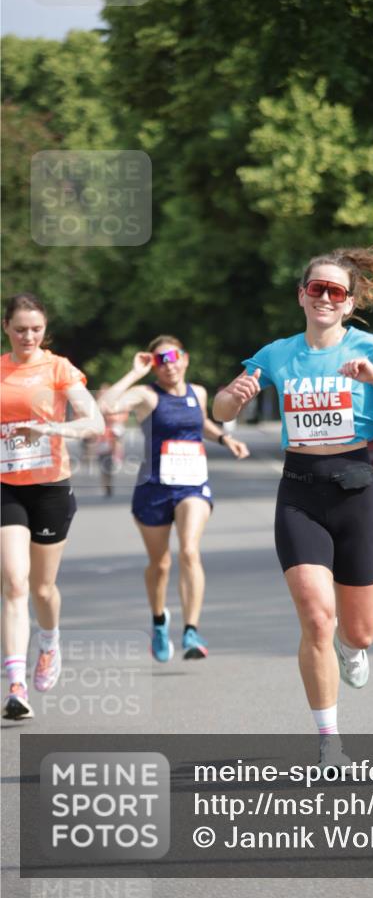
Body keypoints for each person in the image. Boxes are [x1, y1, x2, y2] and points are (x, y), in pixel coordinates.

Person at [213, 247, 373, 767]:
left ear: (349, 302)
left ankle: (353, 649)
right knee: (317, 618)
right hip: (300, 492)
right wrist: (236, 395)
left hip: (356, 491)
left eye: (336, 292)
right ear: (302, 294)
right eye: (317, 288)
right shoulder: (278, 352)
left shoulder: (370, 347)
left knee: (358, 631)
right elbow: (220, 408)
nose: (325, 298)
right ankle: (329, 738)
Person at [99, 336, 250, 662]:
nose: (167, 363)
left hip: (192, 485)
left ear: (185, 358)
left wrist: (225, 438)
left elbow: (201, 423)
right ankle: (158, 620)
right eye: (159, 360)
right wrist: (134, 372)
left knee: (190, 551)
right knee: (160, 563)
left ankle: (191, 631)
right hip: (154, 487)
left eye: (172, 356)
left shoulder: (198, 392)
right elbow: (107, 406)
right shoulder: (147, 396)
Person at [1, 293, 104, 720]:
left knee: (42, 588)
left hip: (50, 487)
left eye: (36, 329)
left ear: (45, 331)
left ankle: (49, 640)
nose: (28, 336)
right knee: (14, 581)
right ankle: (16, 684)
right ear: (6, 327)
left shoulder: (59, 368)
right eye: (20, 328)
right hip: (5, 485)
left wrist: (49, 429)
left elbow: (93, 422)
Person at [96, 383, 128, 497]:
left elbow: (122, 417)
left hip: (113, 432)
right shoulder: (96, 405)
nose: (103, 394)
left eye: (106, 392)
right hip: (102, 438)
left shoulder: (116, 404)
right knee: (103, 466)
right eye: (101, 392)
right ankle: (106, 485)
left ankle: (116, 456)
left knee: (110, 464)